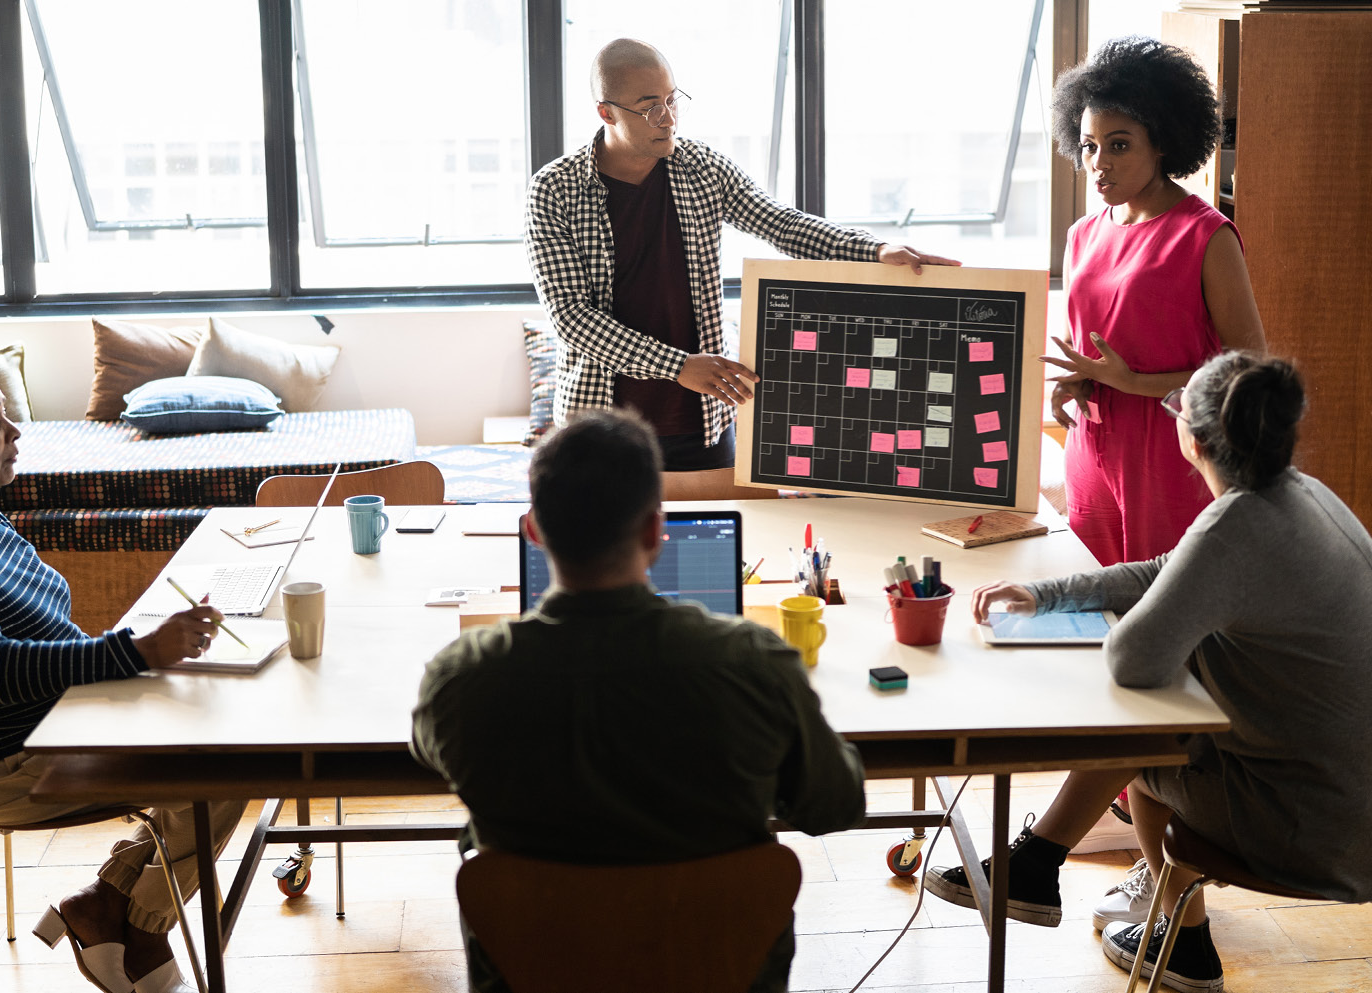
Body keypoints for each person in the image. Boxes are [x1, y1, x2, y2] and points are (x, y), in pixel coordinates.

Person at [926, 352, 1372, 993]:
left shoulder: (1237, 524)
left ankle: (1050, 869)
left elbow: (1133, 659)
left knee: (1144, 740)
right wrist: (1047, 595)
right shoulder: (1298, 494)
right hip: (1348, 803)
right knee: (1164, 730)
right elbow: (1172, 566)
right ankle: (1149, 924)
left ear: (1190, 437)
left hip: (1311, 831)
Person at [412, 408, 866, 993]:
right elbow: (834, 805)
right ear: (656, 530)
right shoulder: (752, 662)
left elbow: (430, 756)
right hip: (720, 973)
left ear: (533, 530)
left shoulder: (462, 678)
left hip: (538, 971)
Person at [0, 311, 245, 993]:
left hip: (54, 718)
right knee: (230, 760)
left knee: (228, 716)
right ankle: (139, 925)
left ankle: (106, 908)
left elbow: (31, 632)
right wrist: (133, 653)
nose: (16, 433)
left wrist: (134, 659)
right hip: (7, 759)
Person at [525, 38, 958, 472]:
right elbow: (572, 318)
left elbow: (781, 223)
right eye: (650, 106)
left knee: (717, 537)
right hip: (601, 426)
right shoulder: (554, 191)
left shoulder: (703, 168)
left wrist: (876, 250)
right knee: (603, 541)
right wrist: (678, 366)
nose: (669, 119)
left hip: (705, 419)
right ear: (607, 113)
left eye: (674, 100)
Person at [1047, 36, 1266, 568]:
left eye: (1119, 145)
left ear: (1162, 142)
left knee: (1163, 615)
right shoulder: (1081, 234)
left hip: (1171, 454)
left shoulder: (1205, 236)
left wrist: (1136, 383)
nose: (1098, 164)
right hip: (1091, 447)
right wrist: (1077, 381)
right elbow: (1098, 341)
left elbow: (1249, 371)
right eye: (1089, 145)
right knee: (1087, 611)